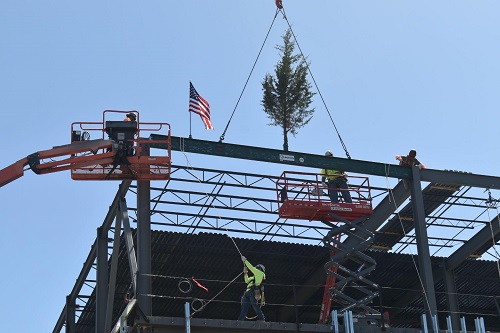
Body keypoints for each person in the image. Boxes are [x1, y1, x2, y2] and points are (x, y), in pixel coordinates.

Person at [238, 256, 266, 322]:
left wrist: (245, 261)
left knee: (255, 306)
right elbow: (247, 281)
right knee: (244, 307)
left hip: (253, 292)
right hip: (247, 292)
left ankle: (262, 319)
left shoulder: (260, 274)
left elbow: (252, 268)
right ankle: (240, 320)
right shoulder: (254, 277)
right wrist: (246, 273)